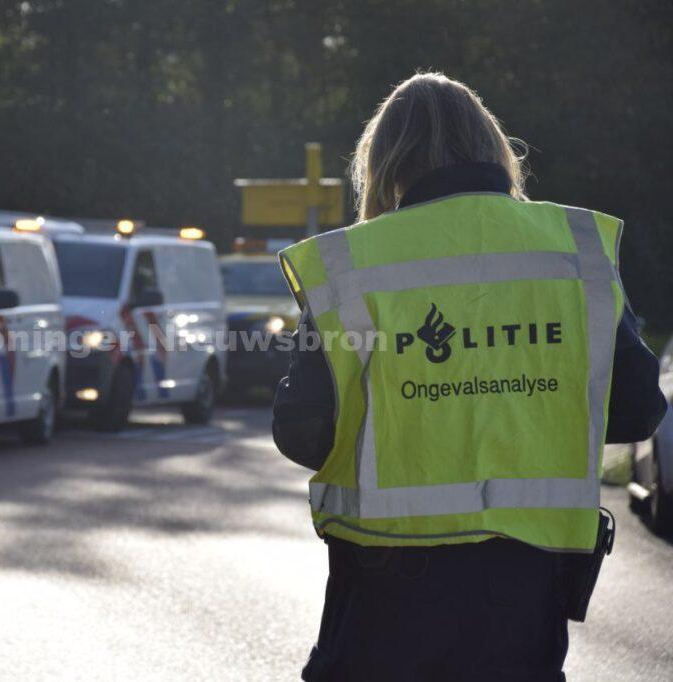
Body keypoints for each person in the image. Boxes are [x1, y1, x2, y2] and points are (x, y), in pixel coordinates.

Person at [272, 72, 667, 682]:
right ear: (493, 148)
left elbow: (303, 436)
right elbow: (638, 410)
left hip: (384, 598)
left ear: (385, 162)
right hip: (523, 600)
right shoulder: (572, 250)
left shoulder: (350, 264)